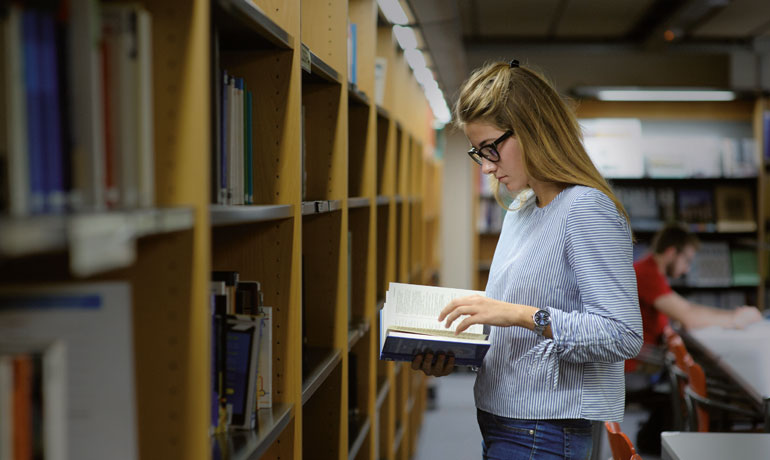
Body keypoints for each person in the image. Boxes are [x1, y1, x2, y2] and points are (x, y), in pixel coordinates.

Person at [411, 59, 643, 460]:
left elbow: (622, 334)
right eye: (477, 152)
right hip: (501, 420)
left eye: (491, 149)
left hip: (545, 431)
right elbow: (513, 333)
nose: (485, 167)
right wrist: (456, 351)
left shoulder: (586, 209)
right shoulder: (522, 208)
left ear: (533, 129)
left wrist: (521, 315)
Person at [627, 222, 762, 454]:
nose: (688, 269)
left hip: (649, 362)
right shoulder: (647, 273)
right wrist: (733, 319)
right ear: (671, 252)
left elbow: (686, 309)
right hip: (638, 368)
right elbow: (687, 315)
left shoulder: (652, 272)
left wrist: (732, 317)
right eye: (687, 260)